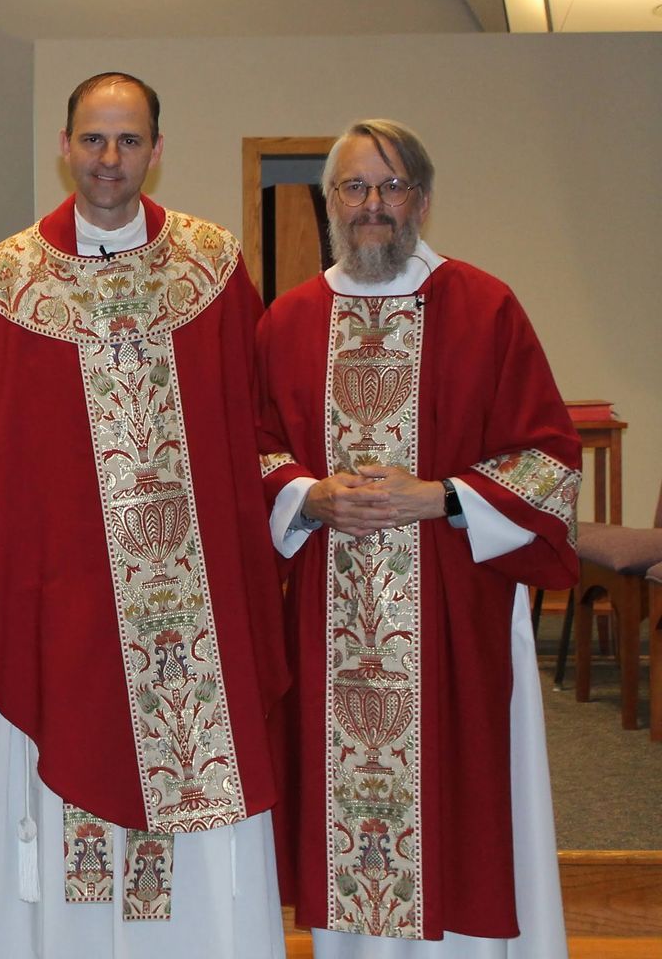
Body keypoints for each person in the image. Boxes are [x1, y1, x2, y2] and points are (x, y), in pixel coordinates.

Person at [0, 72, 291, 957]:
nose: (108, 159)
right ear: (64, 147)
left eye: (127, 140)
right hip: (67, 599)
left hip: (192, 604)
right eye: (93, 139)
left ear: (156, 152)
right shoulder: (11, 278)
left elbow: (254, 420)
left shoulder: (211, 267)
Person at [254, 120, 579, 957]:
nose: (373, 207)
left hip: (454, 610)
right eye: (354, 188)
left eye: (391, 187)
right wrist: (306, 494)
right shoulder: (289, 321)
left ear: (423, 201)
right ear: (329, 205)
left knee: (464, 803)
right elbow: (245, 455)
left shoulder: (484, 307)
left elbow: (548, 459)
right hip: (329, 615)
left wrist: (443, 497)